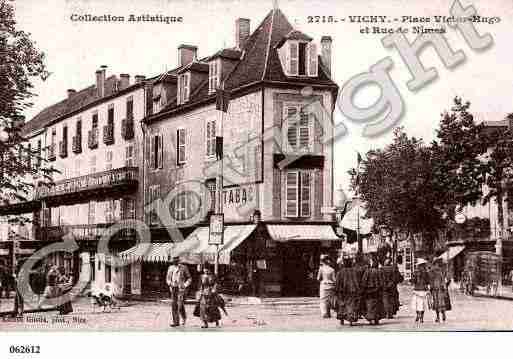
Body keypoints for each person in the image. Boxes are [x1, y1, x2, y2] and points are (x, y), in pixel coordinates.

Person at [166, 256, 192, 327]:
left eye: (176, 260)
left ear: (179, 260)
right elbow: (168, 278)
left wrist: (185, 285)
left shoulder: (184, 267)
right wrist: (170, 283)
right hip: (173, 288)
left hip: (181, 288)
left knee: (180, 305)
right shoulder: (170, 268)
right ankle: (175, 322)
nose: (175, 261)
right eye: (173, 260)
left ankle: (183, 317)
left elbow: (189, 278)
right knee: (174, 305)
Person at [335, 257, 361, 326]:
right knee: (351, 305)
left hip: (342, 291)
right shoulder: (354, 271)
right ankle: (350, 320)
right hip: (352, 291)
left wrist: (337, 290)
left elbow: (337, 282)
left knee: (342, 305)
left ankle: (342, 319)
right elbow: (357, 281)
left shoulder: (340, 272)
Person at [360, 255, 384, 325]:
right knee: (377, 304)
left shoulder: (367, 271)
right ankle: (376, 318)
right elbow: (382, 282)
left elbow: (364, 281)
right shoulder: (379, 271)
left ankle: (371, 318)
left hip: (368, 291)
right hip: (377, 290)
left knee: (369, 305)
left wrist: (363, 289)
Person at [429, 258, 450, 323]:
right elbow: (430, 281)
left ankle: (442, 315)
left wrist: (444, 287)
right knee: (437, 303)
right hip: (436, 290)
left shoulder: (439, 272)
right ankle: (438, 317)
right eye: (435, 264)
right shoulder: (432, 272)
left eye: (436, 264)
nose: (436, 266)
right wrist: (431, 288)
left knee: (440, 302)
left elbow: (444, 280)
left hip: (440, 289)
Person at [411, 258, 430, 324]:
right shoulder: (426, 272)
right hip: (424, 289)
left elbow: (413, 281)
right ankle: (421, 317)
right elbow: (428, 281)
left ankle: (417, 315)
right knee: (422, 304)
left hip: (417, 289)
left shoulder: (415, 272)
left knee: (417, 304)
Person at [317, 254, 336, 318]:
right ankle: (329, 312)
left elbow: (318, 278)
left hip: (324, 285)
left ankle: (324, 313)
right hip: (331, 285)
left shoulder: (321, 269)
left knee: (323, 300)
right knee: (330, 300)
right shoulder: (332, 269)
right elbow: (334, 279)